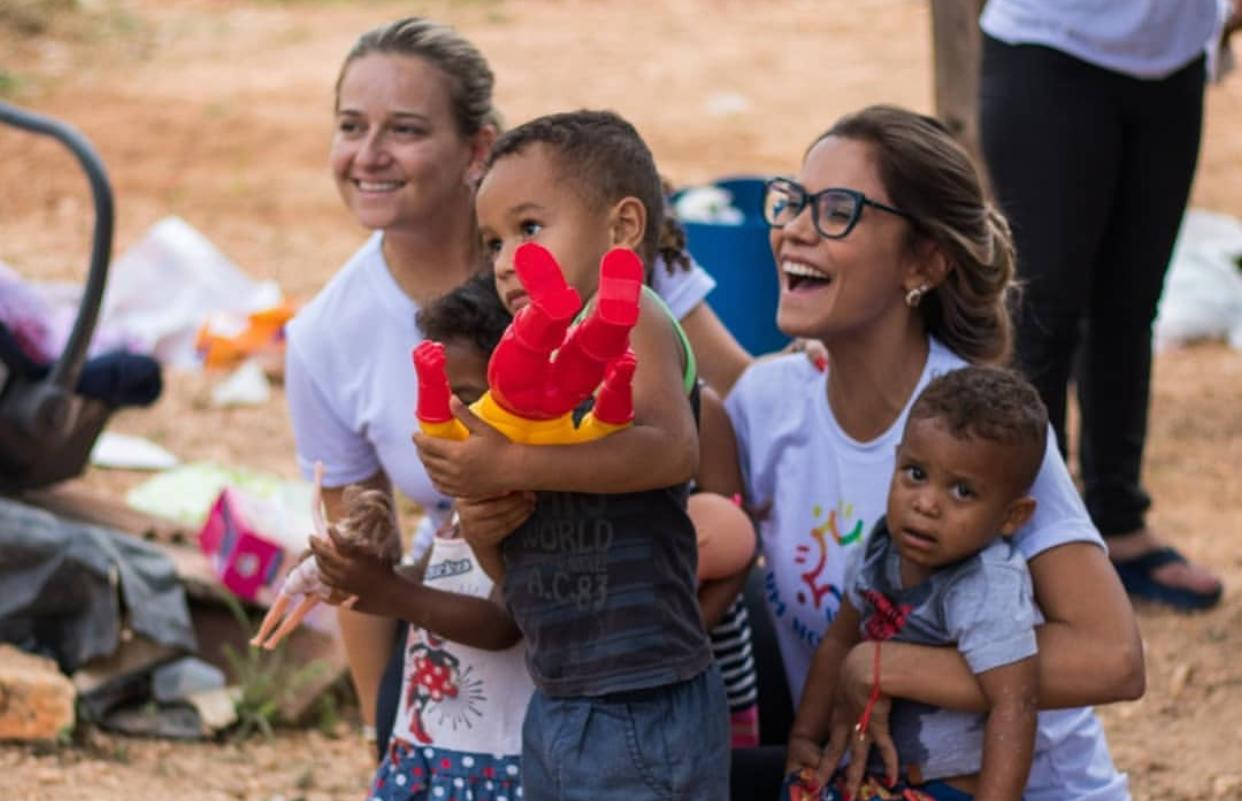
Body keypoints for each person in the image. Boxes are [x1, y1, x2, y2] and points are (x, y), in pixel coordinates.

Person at [283, 16, 750, 750]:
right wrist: (384, 733)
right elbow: (376, 551)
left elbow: (729, 400)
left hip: (641, 632)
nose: (369, 154)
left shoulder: (590, 248)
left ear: (478, 149)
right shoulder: (323, 335)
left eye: (404, 129)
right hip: (511, 625)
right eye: (350, 126)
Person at [725, 105, 1143, 801]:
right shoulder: (765, 405)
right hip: (857, 779)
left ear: (924, 260)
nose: (794, 228)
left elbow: (1113, 656)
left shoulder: (977, 427)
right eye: (792, 201)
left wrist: (887, 665)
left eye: (837, 211)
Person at [414, 110, 730, 800]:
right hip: (558, 692)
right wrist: (484, 522)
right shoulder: (529, 373)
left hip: (642, 699)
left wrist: (510, 465)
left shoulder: (629, 316)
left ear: (622, 228)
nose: (505, 260)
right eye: (492, 242)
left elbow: (672, 450)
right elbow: (520, 570)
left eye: (529, 228)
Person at [977, 0, 1227, 610]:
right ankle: (1032, 537)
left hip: (1172, 59)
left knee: (1130, 308)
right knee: (1044, 310)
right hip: (1053, 49)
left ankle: (1118, 522)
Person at [787, 365, 1047, 801]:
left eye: (962, 491)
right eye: (916, 474)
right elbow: (838, 643)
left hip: (943, 788)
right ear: (895, 463)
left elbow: (1014, 705)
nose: (926, 504)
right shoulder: (879, 549)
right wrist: (803, 738)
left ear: (1012, 516)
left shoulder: (985, 583)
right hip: (869, 777)